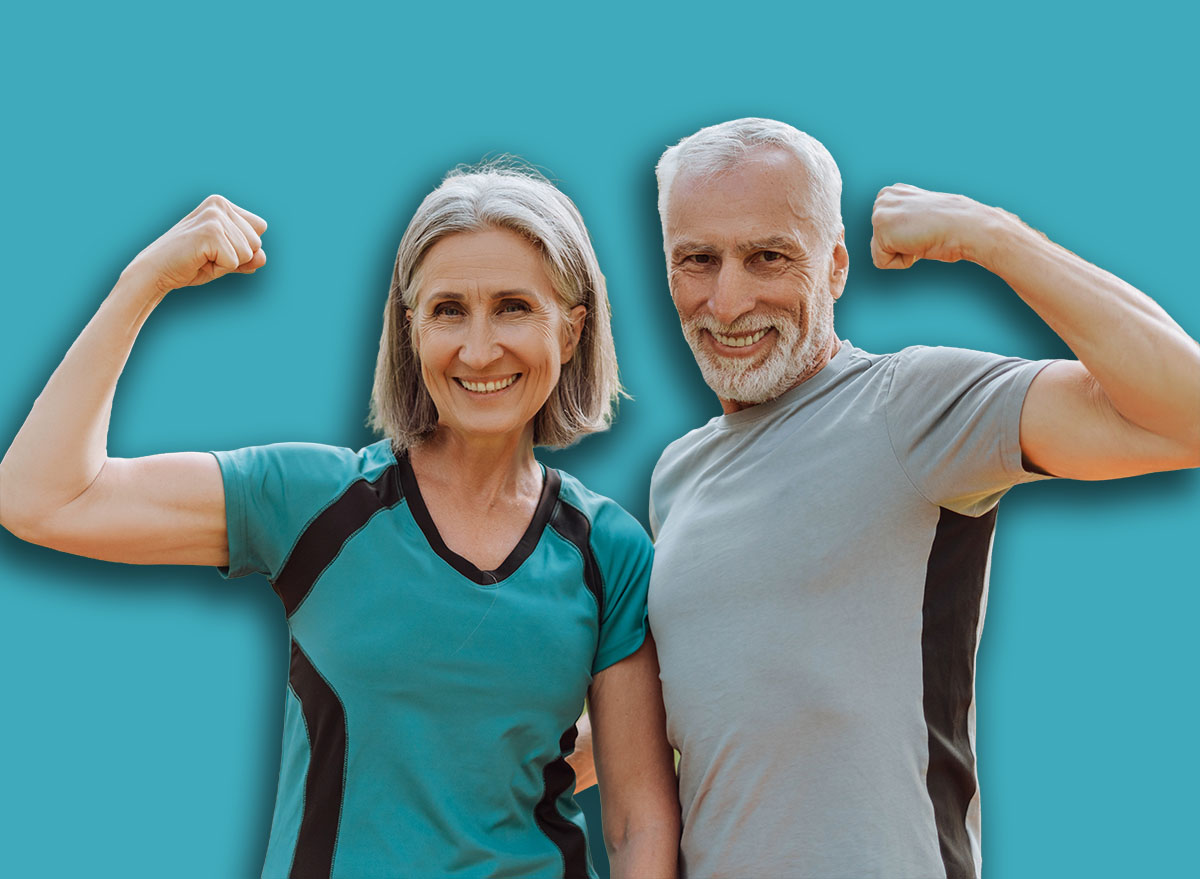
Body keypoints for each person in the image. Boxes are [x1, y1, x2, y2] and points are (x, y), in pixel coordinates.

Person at [0, 166, 680, 879]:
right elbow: (42, 497)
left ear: (571, 330)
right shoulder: (313, 503)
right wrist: (143, 281)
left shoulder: (609, 550)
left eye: (513, 307)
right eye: (448, 310)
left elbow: (637, 823)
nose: (479, 349)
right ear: (410, 330)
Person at [573, 117, 1199, 878]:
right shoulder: (677, 474)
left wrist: (991, 235)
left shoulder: (909, 407)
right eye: (697, 260)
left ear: (835, 265)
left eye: (768, 256)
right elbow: (698, 719)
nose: (727, 300)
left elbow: (1189, 414)